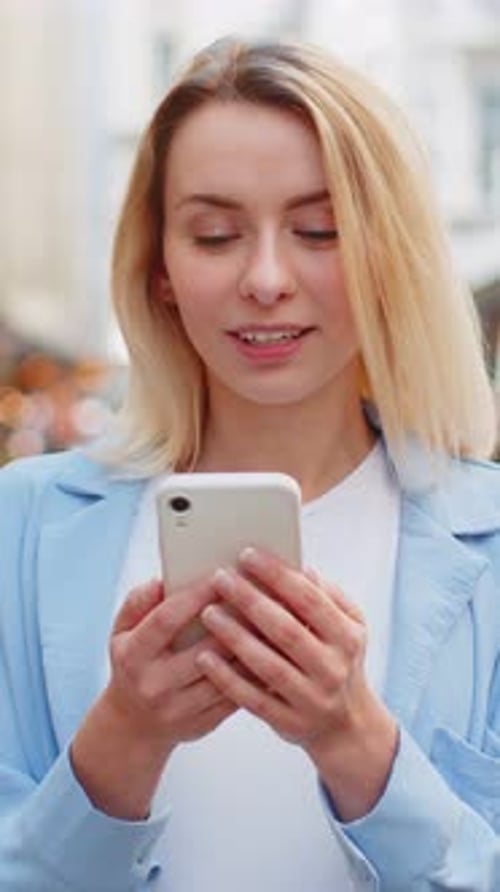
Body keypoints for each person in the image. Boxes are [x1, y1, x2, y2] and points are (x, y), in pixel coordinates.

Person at [0, 35, 499, 892]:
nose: (266, 278)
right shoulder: (23, 524)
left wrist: (354, 742)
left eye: (319, 230)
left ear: (386, 255)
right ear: (160, 269)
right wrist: (124, 738)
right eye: (215, 233)